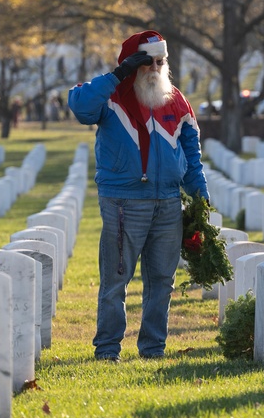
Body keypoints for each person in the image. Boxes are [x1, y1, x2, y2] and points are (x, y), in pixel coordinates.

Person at [69, 30, 209, 362]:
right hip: (123, 201)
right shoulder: (111, 96)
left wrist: (200, 196)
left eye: (161, 62)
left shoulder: (176, 100)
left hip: (168, 203)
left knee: (162, 282)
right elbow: (80, 107)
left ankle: (152, 349)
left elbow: (191, 153)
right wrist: (118, 75)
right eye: (148, 63)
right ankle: (107, 350)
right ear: (133, 63)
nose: (156, 68)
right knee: (116, 281)